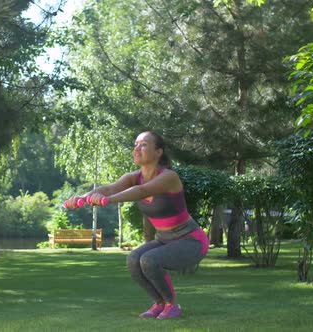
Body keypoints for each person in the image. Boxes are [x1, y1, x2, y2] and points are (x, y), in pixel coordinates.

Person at [65, 131, 209, 319]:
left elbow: (141, 191)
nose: (137, 148)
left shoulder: (169, 177)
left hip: (191, 241)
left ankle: (172, 305)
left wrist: (107, 200)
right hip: (165, 240)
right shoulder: (132, 176)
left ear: (158, 152)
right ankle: (160, 303)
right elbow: (109, 188)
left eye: (143, 144)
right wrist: (82, 198)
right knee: (133, 259)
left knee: (149, 260)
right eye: (135, 144)